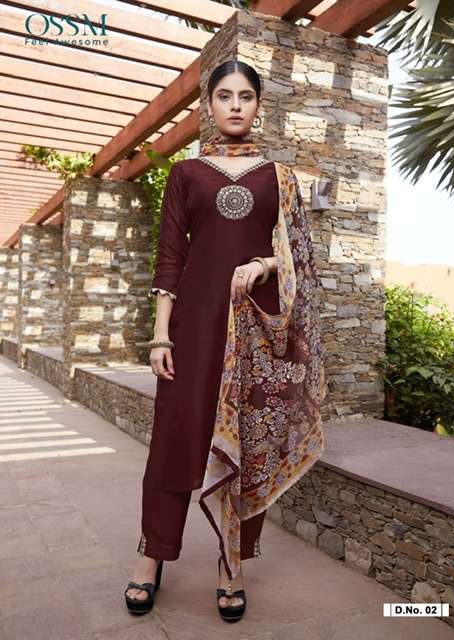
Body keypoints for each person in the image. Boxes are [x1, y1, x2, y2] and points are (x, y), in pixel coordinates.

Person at [124, 59, 327, 622]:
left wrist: (264, 263)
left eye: (245, 96)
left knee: (250, 448)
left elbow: (300, 256)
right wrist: (160, 336)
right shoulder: (186, 174)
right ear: (208, 105)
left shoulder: (278, 177)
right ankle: (152, 554)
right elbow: (170, 256)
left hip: (256, 331)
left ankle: (231, 563)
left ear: (258, 105)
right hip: (193, 327)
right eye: (224, 96)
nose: (235, 105)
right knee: (174, 438)